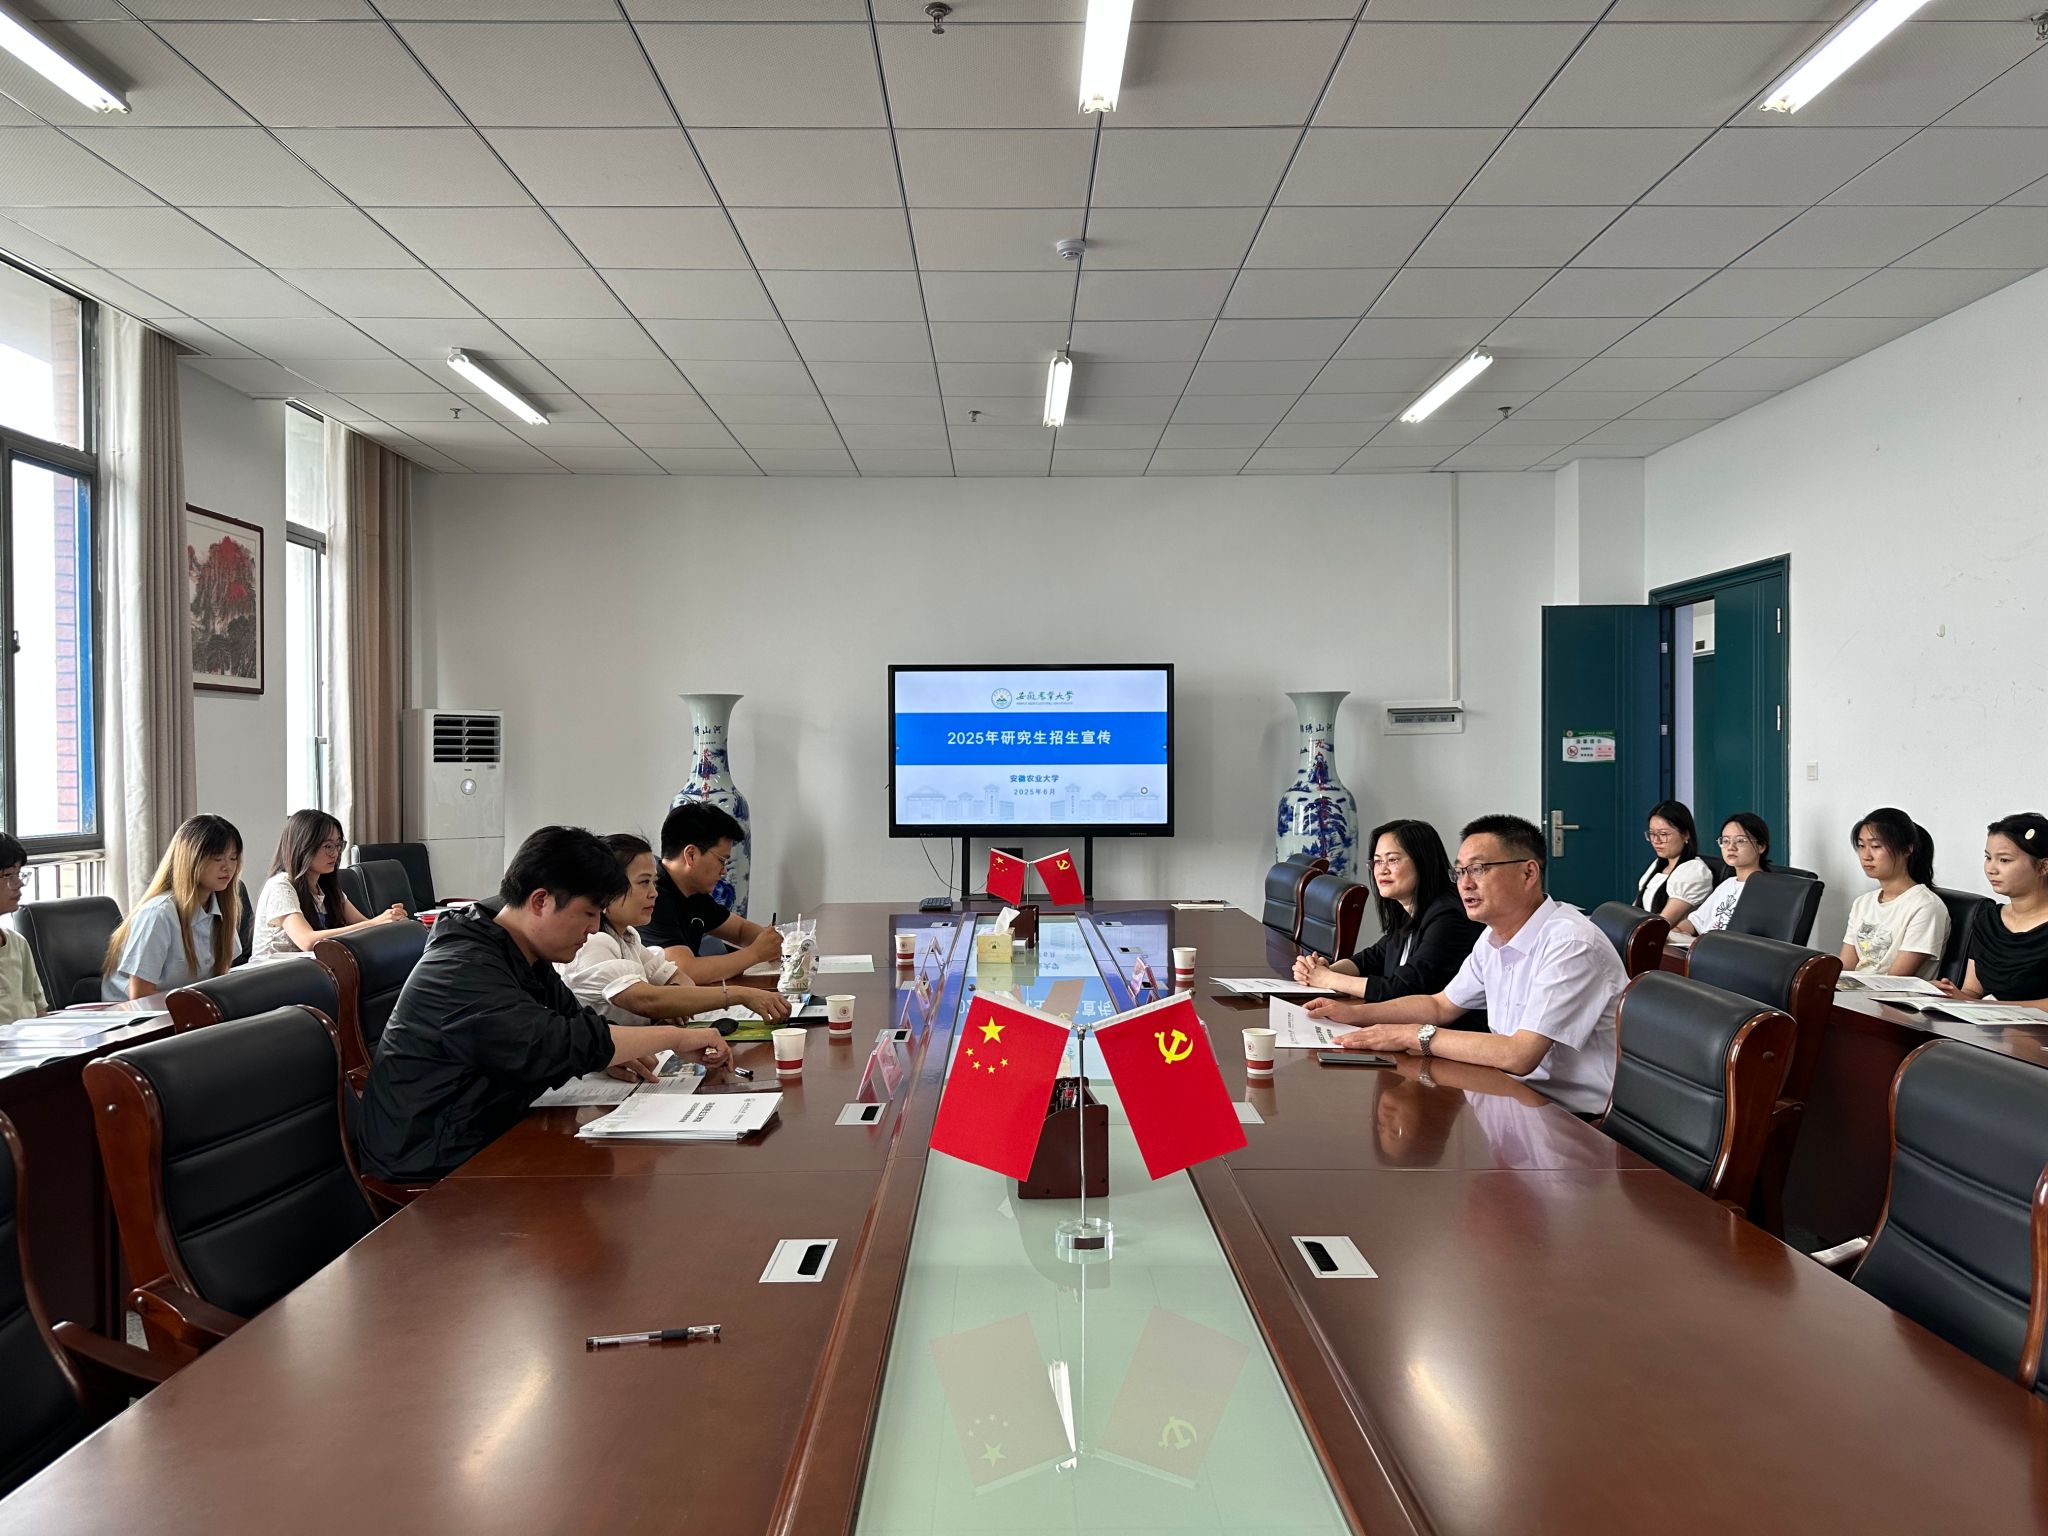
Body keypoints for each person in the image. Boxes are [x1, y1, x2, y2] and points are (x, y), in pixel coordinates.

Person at [356, 825, 734, 1184]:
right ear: (541, 901)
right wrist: (674, 1038)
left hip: (489, 1133)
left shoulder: (520, 950)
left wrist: (610, 1055)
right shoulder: (463, 966)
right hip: (432, 1158)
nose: (593, 929)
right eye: (588, 913)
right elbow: (551, 1042)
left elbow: (574, 1022)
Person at [1305, 814, 1625, 1116]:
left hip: (1571, 1117)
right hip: (1510, 1095)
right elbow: (1439, 1006)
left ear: (1529, 873)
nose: (1465, 884)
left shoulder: (1570, 943)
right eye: (1460, 872)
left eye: (1479, 869)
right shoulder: (1491, 938)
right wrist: (1352, 1015)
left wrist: (1412, 1036)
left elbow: (1519, 1054)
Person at [562, 833, 790, 1030]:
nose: (654, 893)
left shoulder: (628, 936)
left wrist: (670, 1005)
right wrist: (740, 994)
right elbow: (646, 1001)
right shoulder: (593, 941)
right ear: (608, 887)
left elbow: (680, 979)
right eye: (643, 883)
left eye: (654, 882)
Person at [1291, 819, 1485, 1028]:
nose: (1381, 870)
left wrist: (1328, 979)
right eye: (1377, 861)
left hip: (1448, 1036)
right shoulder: (1411, 908)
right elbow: (1372, 958)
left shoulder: (1449, 917)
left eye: (1392, 860)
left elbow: (1404, 989)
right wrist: (1321, 970)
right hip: (1406, 1029)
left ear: (1423, 862)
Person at [102, 815, 244, 1001]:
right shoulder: (158, 913)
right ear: (191, 859)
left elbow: (219, 979)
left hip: (183, 1007)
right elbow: (139, 995)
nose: (228, 867)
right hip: (136, 1013)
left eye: (233, 858)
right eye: (217, 858)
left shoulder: (221, 908)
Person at [640, 802, 783, 982]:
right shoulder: (653, 895)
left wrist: (780, 942)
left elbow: (740, 930)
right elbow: (684, 971)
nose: (724, 872)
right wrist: (755, 953)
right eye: (722, 861)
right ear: (691, 855)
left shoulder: (693, 892)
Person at [249, 809, 411, 962]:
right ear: (302, 846)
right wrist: (374, 924)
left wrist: (390, 921)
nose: (335, 853)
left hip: (312, 970)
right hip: (271, 974)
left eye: (338, 845)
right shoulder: (280, 885)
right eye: (328, 846)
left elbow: (363, 926)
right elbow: (307, 941)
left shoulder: (325, 886)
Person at [1937, 812, 2048, 1009]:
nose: (1991, 869)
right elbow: (1972, 991)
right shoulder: (1988, 920)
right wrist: (1948, 994)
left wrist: (1991, 1006)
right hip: (1989, 1022)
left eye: (2004, 860)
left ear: (2043, 866)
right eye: (1988, 858)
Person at [1839, 808, 1947, 979]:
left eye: (1876, 846)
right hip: (1855, 991)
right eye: (1861, 846)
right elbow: (1845, 969)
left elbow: (1895, 980)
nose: (1866, 856)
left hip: (1891, 994)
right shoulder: (1862, 903)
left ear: (1907, 849)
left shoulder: (1926, 906)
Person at [1678, 812, 1772, 937]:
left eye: (1740, 841)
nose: (1731, 847)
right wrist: (1675, 931)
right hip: (1703, 945)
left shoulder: (1767, 889)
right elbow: (1695, 922)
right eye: (1726, 841)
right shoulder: (1728, 884)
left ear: (1761, 846)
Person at [1634, 800, 1716, 925]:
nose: (1656, 840)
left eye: (1663, 834)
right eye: (1652, 833)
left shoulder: (1693, 871)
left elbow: (1661, 924)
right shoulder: (1657, 865)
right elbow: (1634, 911)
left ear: (1686, 835)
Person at [0, 833, 48, 1025]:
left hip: (29, 1041)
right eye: (8, 875)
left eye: (19, 874)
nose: (19, 883)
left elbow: (40, 1011)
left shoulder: (17, 943)